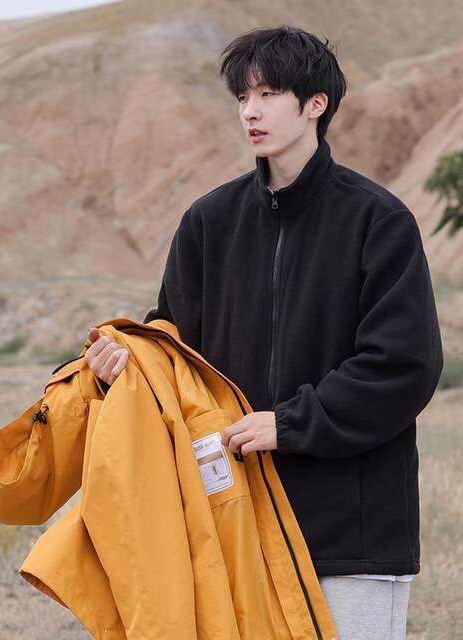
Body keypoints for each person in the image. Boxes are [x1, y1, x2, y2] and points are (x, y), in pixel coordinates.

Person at [84, 25, 444, 640]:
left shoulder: (377, 219)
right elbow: (174, 349)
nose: (250, 111)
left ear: (315, 104)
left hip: (350, 535)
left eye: (269, 94)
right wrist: (124, 360)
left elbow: (404, 364)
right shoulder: (208, 222)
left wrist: (291, 422)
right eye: (242, 97)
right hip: (236, 521)